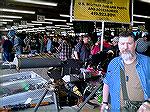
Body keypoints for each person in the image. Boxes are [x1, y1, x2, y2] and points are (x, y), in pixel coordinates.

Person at [100, 31, 150, 112]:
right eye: (122, 44)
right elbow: (107, 83)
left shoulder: (147, 62)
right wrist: (104, 102)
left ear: (135, 44)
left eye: (129, 43)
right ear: (118, 45)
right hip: (117, 108)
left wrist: (148, 102)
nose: (125, 47)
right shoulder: (113, 63)